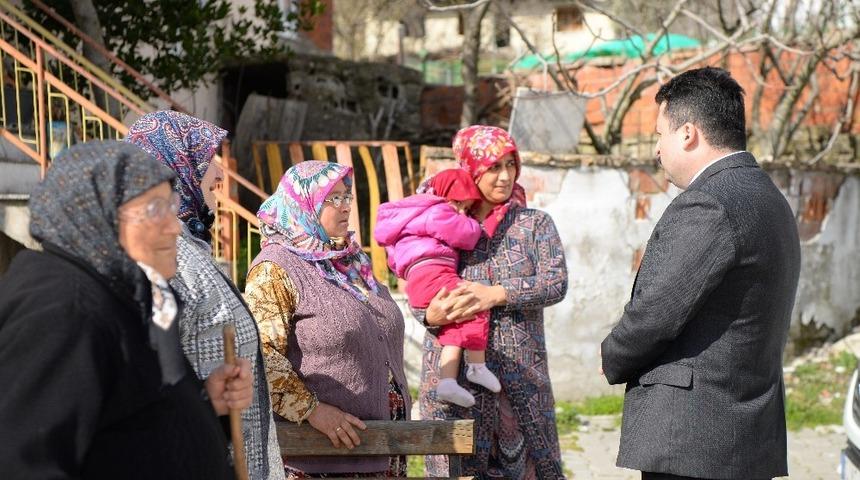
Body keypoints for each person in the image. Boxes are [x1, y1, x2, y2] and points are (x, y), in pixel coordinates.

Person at [0, 141, 252, 479]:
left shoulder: (122, 297)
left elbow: (125, 423)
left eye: (171, 206)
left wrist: (203, 403)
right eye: (154, 209)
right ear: (95, 214)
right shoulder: (63, 309)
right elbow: (24, 463)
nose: (174, 226)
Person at [600, 67, 801, 480]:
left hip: (693, 438)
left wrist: (611, 356)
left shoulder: (710, 202)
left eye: (659, 135)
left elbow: (657, 312)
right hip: (739, 434)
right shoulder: (769, 197)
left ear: (688, 133)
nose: (657, 150)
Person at [125, 110, 286, 480]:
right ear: (175, 165)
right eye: (205, 158)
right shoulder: (164, 257)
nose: (218, 173)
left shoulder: (190, 249)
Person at [416, 125, 568, 478]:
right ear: (470, 169)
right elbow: (420, 277)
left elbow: (555, 282)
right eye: (493, 167)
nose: (505, 177)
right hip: (452, 376)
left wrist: (494, 294)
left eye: (510, 165)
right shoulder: (442, 222)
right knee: (457, 468)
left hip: (519, 376)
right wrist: (429, 314)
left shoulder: (534, 225)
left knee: (529, 465)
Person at [244, 160, 410, 478]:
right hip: (318, 459)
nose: (345, 206)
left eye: (347, 196)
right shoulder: (275, 268)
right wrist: (311, 410)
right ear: (303, 204)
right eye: (332, 199)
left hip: (383, 453)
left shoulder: (351, 260)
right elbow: (259, 355)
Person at [375, 168, 501, 408]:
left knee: (455, 320)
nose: (462, 212)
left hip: (418, 279)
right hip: (433, 271)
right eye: (461, 206)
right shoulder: (437, 210)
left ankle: (448, 381)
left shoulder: (408, 218)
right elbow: (465, 235)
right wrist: (475, 225)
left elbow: (394, 258)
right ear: (447, 196)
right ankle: (477, 365)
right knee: (473, 300)